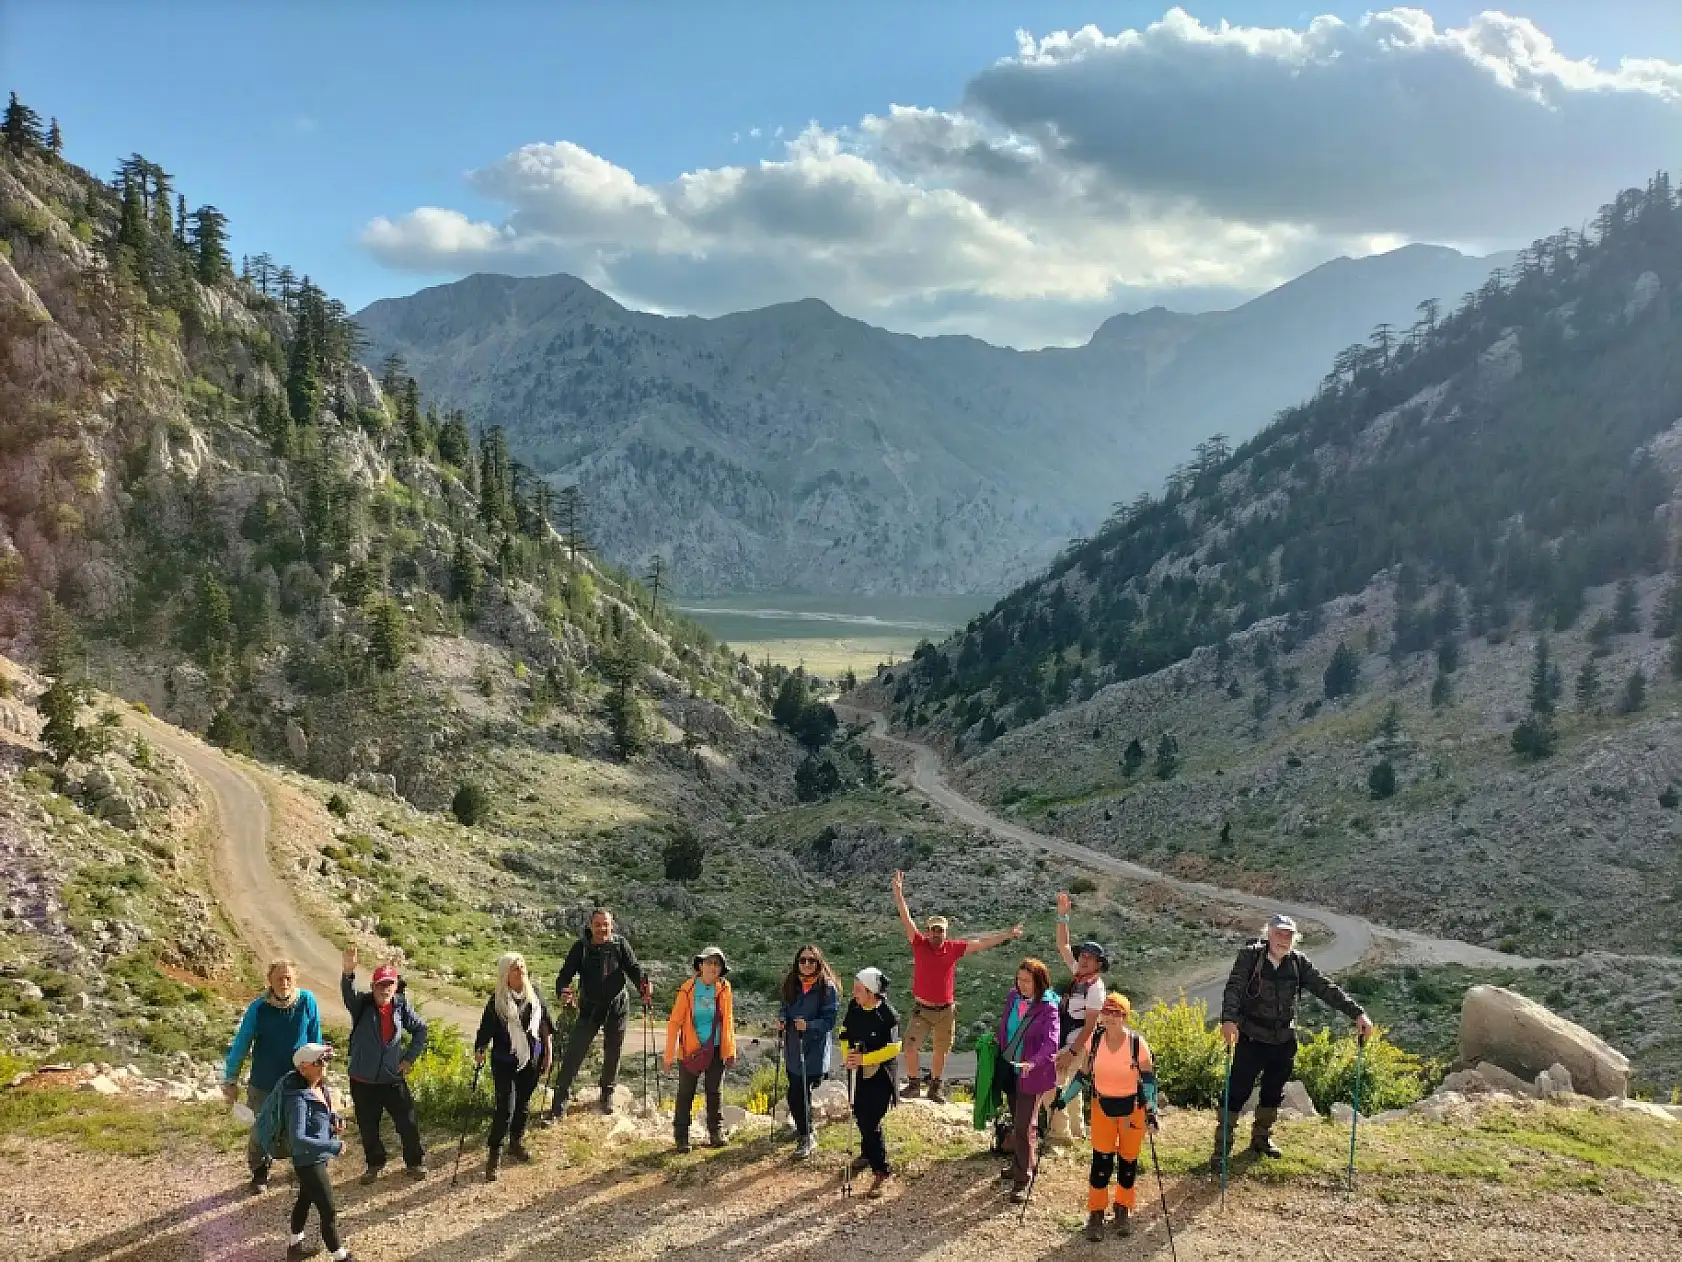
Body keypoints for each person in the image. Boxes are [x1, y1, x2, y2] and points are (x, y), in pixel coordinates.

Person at [1212, 913, 1374, 1168]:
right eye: (1279, 933)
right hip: (1251, 1037)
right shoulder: (1250, 957)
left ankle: (1261, 1139)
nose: (1283, 939)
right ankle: (1222, 1147)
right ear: (1268, 934)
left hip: (1283, 1040)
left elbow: (1325, 988)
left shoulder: (1299, 963)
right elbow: (1233, 988)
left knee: (1273, 1093)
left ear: (1294, 939)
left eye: (1288, 935)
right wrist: (1228, 1020)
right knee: (1237, 1092)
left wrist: (1357, 1013)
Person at [891, 870, 1023, 1102]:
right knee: (910, 1047)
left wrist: (1007, 935)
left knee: (941, 1050)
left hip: (945, 1010)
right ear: (928, 930)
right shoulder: (919, 944)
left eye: (940, 930)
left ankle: (935, 1087)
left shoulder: (952, 948)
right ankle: (913, 1084)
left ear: (945, 932)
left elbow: (981, 943)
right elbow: (906, 918)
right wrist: (899, 894)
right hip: (922, 1009)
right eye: (933, 929)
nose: (936, 933)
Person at [222, 958, 322, 1194]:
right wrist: (231, 1078)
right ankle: (259, 1173)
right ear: (270, 980)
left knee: (300, 1125)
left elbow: (315, 1038)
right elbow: (242, 1043)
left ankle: (304, 1169)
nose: (284, 983)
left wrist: (319, 1073)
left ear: (295, 979)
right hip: (264, 1080)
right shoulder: (258, 1008)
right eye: (279, 978)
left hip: (297, 1078)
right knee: (261, 1128)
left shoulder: (307, 1001)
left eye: (288, 978)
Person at [548, 908, 651, 1119]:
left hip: (617, 1006)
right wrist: (563, 990)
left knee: (613, 1053)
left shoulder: (619, 944)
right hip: (590, 1008)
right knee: (574, 1053)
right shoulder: (581, 948)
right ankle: (559, 1105)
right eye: (598, 924)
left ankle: (606, 1095)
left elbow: (633, 968)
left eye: (606, 924)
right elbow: (564, 975)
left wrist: (644, 986)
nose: (602, 929)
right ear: (590, 926)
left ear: (611, 926)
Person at [340, 947, 429, 1183]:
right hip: (362, 1080)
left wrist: (409, 1058)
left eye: (390, 984)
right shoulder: (362, 1005)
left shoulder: (401, 1006)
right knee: (369, 1128)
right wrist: (348, 973)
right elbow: (348, 994)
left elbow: (421, 1029)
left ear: (396, 986)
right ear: (373, 986)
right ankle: (374, 1164)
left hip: (391, 1079)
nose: (385, 989)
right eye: (381, 984)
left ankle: (414, 1162)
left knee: (408, 1122)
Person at [1079, 993, 1158, 1242]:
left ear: (1125, 1016)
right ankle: (1096, 1212)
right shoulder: (1094, 1041)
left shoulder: (1137, 1044)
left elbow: (1148, 1080)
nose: (1111, 1017)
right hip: (1102, 1106)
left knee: (1128, 1162)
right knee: (1101, 1162)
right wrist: (1063, 1098)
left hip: (1132, 1108)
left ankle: (1123, 1208)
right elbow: (1083, 1075)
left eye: (1117, 1012)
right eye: (1107, 1011)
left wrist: (1152, 1111)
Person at [475, 951, 555, 1182]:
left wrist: (548, 1054)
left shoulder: (534, 995)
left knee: (522, 1105)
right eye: (514, 967)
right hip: (504, 1062)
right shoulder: (496, 1002)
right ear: (504, 974)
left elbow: (545, 1026)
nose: (520, 969)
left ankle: (516, 1142)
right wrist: (480, 1049)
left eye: (521, 965)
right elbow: (484, 1032)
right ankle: (494, 1155)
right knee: (505, 1109)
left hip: (531, 1060)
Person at [281, 1042, 356, 1262]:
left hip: (317, 1158)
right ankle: (340, 1257)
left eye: (326, 1060)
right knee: (329, 1210)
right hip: (308, 1161)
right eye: (320, 1062)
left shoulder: (318, 1087)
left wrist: (334, 1120)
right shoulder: (298, 1100)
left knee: (305, 1199)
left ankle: (294, 1247)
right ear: (304, 1067)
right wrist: (333, 1146)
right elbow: (298, 1139)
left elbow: (323, 1113)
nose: (325, 1066)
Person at [996, 957, 1060, 1203]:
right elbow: (1007, 1027)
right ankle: (1020, 1164)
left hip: (1032, 1073)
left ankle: (1023, 1179)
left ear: (1039, 982)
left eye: (1026, 981)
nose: (1021, 985)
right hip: (1011, 1069)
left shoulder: (1048, 1007)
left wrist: (1033, 1062)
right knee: (1017, 1120)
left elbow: (1051, 1042)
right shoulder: (1013, 997)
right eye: (1019, 979)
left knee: (1024, 1125)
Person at [1048, 890, 1108, 1146]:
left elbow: (1090, 1026)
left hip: (1077, 1043)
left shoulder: (1095, 988)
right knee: (1071, 1085)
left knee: (1054, 1083)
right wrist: (1063, 917)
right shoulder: (1080, 977)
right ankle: (1078, 1130)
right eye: (1082, 955)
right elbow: (1062, 945)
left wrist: (1072, 1052)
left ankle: (1059, 1136)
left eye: (1089, 958)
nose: (1082, 960)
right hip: (1071, 1039)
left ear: (1098, 965)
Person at [663, 945, 738, 1152]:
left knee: (714, 1092)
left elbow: (728, 1020)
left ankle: (716, 1133)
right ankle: (681, 1137)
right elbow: (674, 1022)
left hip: (715, 1049)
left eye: (717, 964)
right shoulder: (687, 989)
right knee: (686, 1093)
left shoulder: (724, 988)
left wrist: (730, 1050)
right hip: (690, 1051)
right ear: (700, 966)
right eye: (709, 963)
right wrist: (668, 1055)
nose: (713, 967)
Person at [839, 966, 901, 1199]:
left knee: (871, 1119)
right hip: (860, 1071)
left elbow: (895, 1047)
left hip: (882, 1074)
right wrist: (849, 1056)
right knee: (859, 1111)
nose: (854, 994)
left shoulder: (888, 1015)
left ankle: (881, 1169)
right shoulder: (854, 1008)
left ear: (872, 992)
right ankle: (867, 1153)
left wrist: (865, 1059)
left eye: (858, 990)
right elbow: (844, 1034)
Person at [777, 944, 841, 1159]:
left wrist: (810, 1025)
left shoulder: (827, 988)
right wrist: (782, 1020)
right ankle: (803, 1128)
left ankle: (807, 1136)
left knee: (798, 1093)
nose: (806, 964)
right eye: (802, 960)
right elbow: (784, 1008)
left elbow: (829, 1021)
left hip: (814, 1051)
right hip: (794, 1048)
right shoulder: (791, 984)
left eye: (811, 961)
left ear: (818, 963)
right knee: (796, 1092)